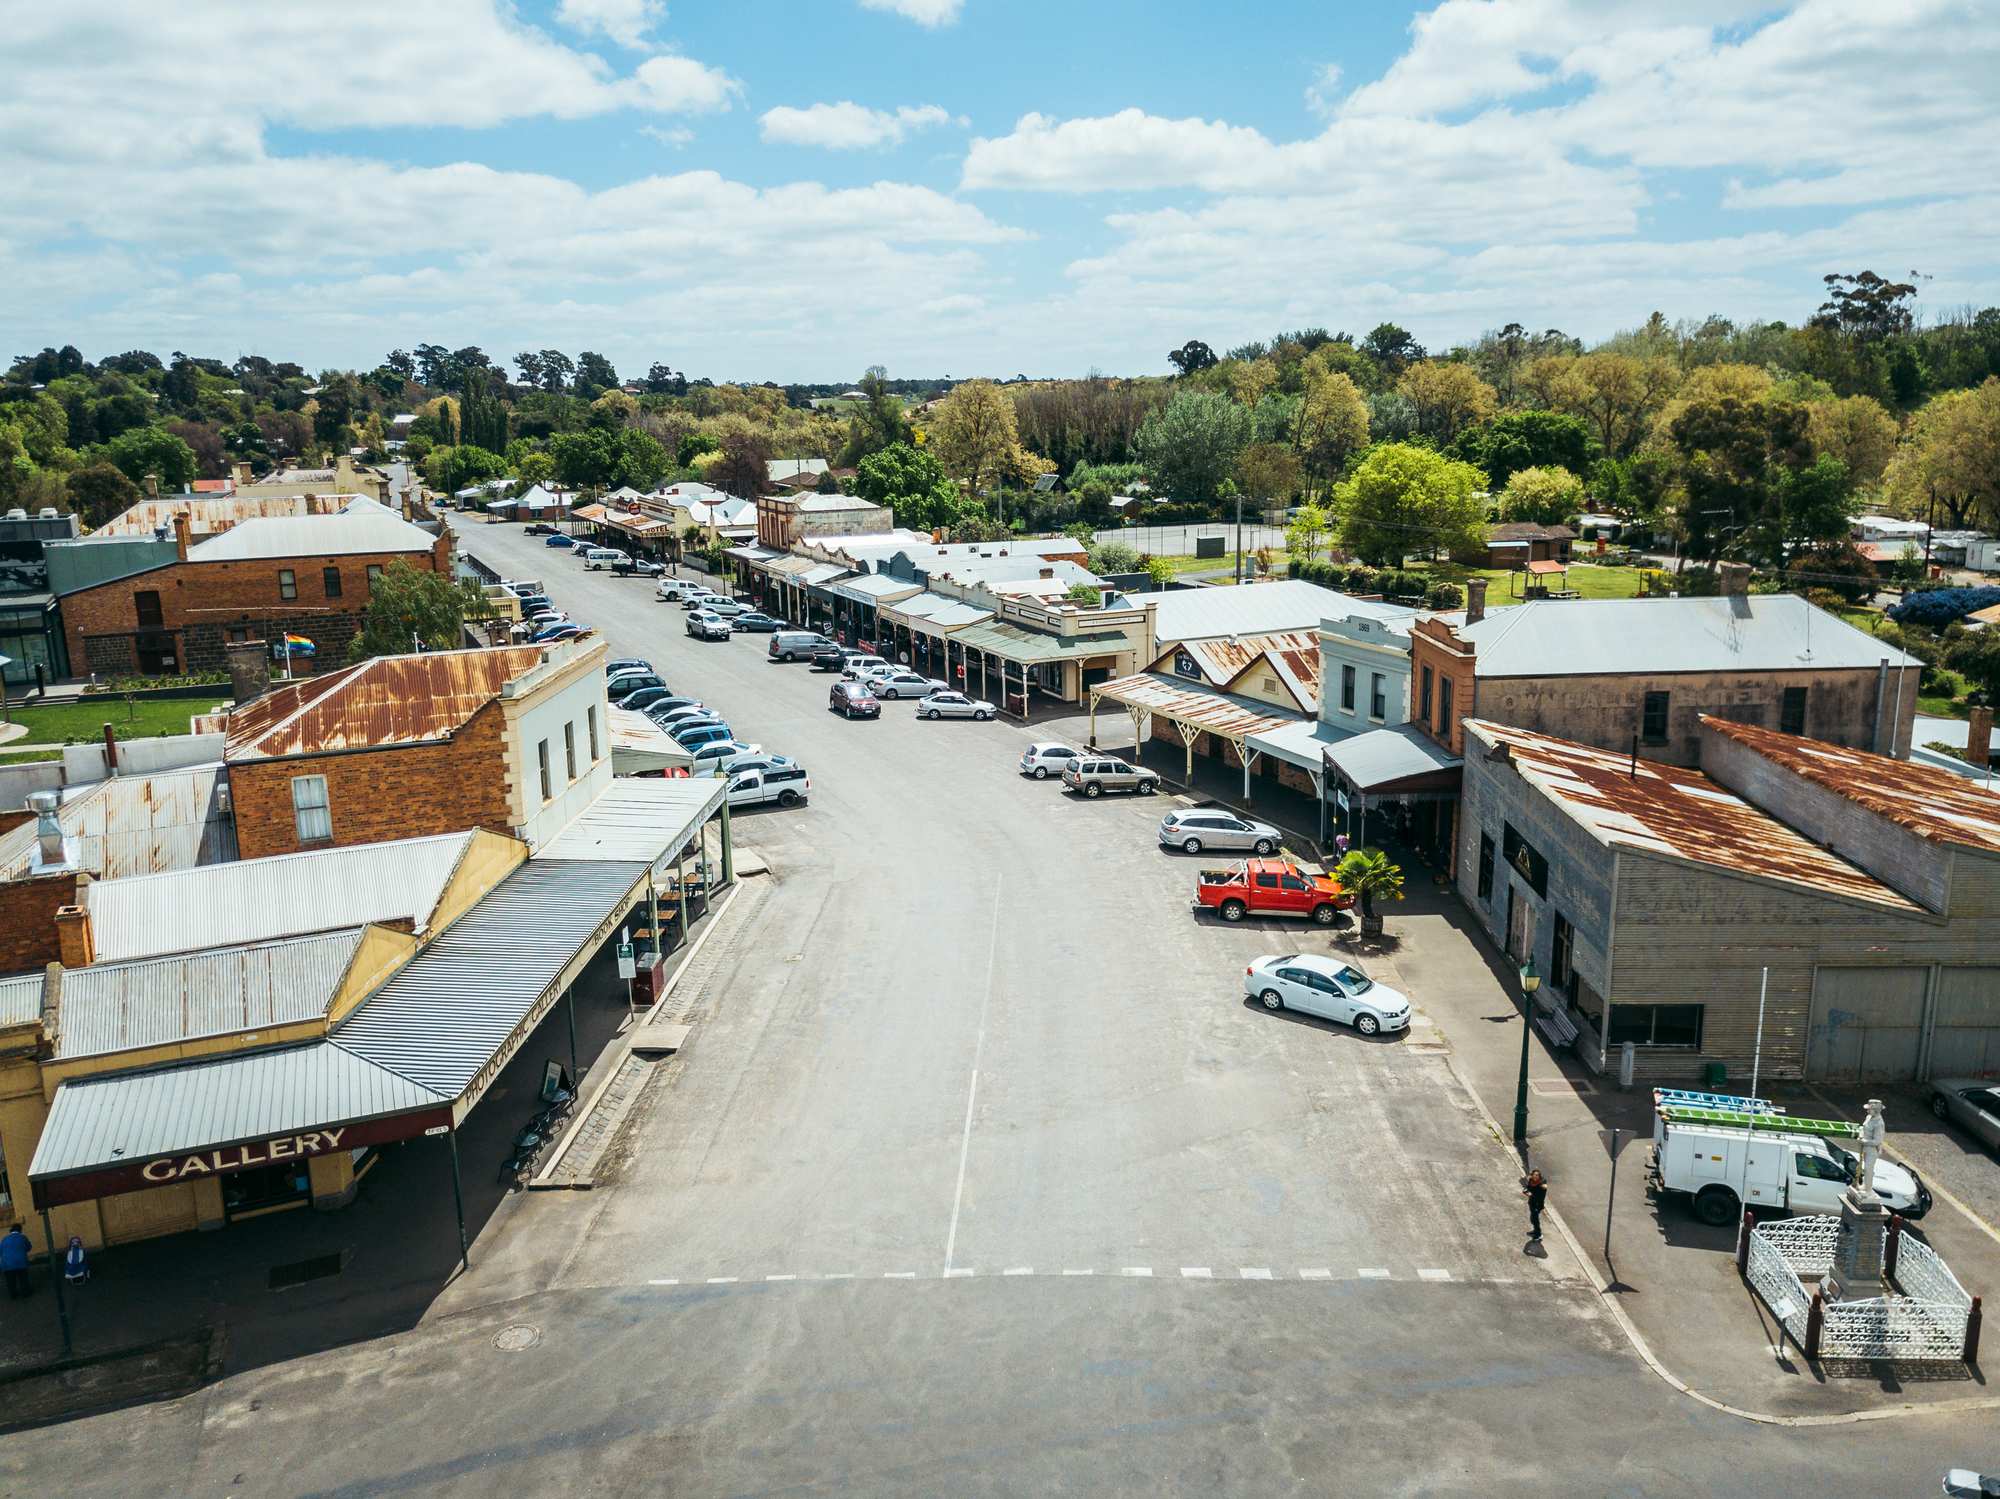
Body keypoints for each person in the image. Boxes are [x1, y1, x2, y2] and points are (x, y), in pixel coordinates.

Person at [1, 1223, 32, 1299]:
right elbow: (29, 1247)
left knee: (10, 1281)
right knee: (23, 1279)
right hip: (21, 1262)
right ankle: (25, 1293)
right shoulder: (22, 1237)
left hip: (7, 1264)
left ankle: (13, 1294)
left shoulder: (4, 1239)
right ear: (20, 1230)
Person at [1523, 1170, 1548, 1243]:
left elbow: (1544, 1187)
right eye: (1534, 1175)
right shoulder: (1531, 1180)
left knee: (1535, 1220)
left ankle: (1538, 1235)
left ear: (1539, 1176)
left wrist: (1542, 1207)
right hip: (1532, 1202)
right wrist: (1526, 1191)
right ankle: (1535, 1231)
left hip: (1538, 1204)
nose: (1535, 1176)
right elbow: (1528, 1187)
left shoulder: (1542, 1183)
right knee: (1533, 1219)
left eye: (1537, 1175)